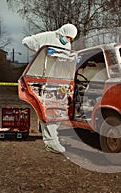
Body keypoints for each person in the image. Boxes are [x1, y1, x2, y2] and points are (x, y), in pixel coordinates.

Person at [22, 23, 78, 153]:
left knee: (56, 111)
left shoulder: (67, 45)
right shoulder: (48, 36)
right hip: (41, 78)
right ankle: (52, 142)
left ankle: (51, 141)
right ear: (62, 32)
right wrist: (42, 50)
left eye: (70, 39)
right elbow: (26, 41)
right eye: (67, 37)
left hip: (57, 79)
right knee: (50, 111)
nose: (68, 40)